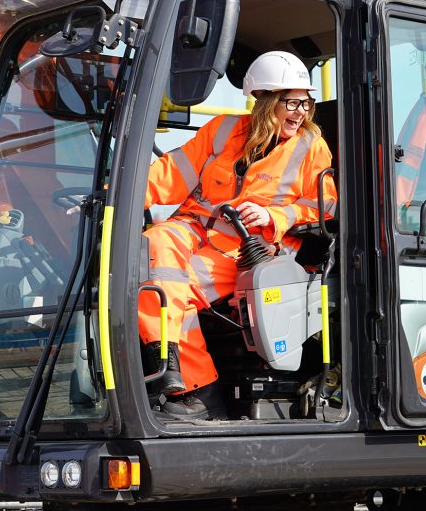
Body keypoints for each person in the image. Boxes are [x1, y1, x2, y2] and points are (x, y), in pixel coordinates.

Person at [140, 51, 338, 420]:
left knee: (164, 289)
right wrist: (116, 195)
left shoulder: (312, 147)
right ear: (264, 101)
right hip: (195, 228)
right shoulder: (223, 130)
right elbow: (172, 173)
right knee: (152, 244)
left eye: (305, 104)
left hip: (251, 251)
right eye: (292, 103)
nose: (300, 113)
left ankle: (194, 390)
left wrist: (274, 214)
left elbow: (323, 207)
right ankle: (165, 367)